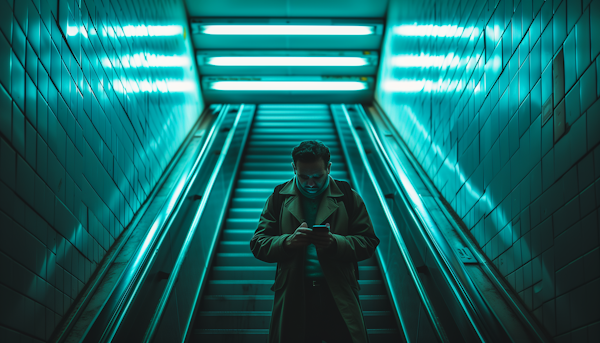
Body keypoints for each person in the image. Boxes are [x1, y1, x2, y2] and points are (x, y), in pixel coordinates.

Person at [250, 140, 380, 343]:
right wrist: (288, 242)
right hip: (295, 293)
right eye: (303, 176)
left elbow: (368, 241)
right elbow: (258, 243)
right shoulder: (278, 198)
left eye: (317, 176)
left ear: (329, 168)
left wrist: (334, 243)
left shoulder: (348, 197)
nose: (310, 183)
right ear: (294, 168)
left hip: (337, 292)